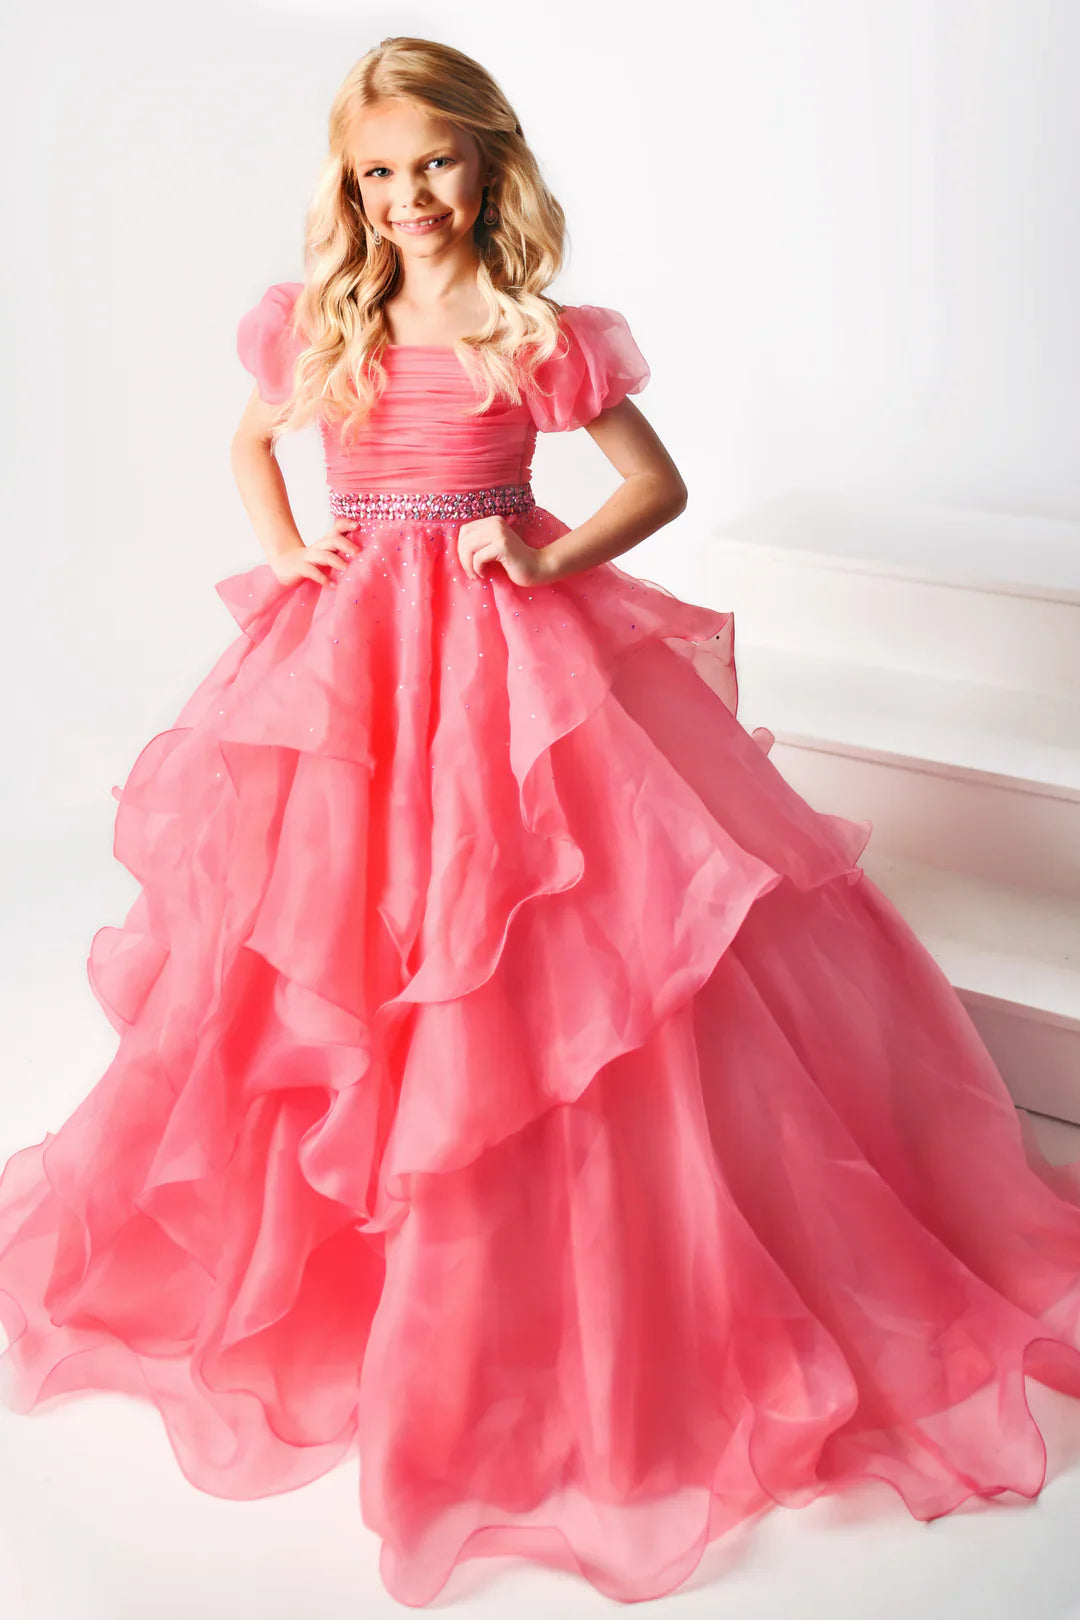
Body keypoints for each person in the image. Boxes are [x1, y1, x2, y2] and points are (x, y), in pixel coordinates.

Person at [2, 33, 1080, 1610]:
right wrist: (290, 549)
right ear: (350, 186)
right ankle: (361, 1214)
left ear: (489, 162)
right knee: (339, 916)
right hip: (358, 659)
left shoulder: (536, 332)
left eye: (434, 162)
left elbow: (654, 486)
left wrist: (548, 559)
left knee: (545, 916)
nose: (408, 195)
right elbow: (247, 442)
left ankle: (527, 1206)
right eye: (379, 171)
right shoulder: (324, 319)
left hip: (511, 660)